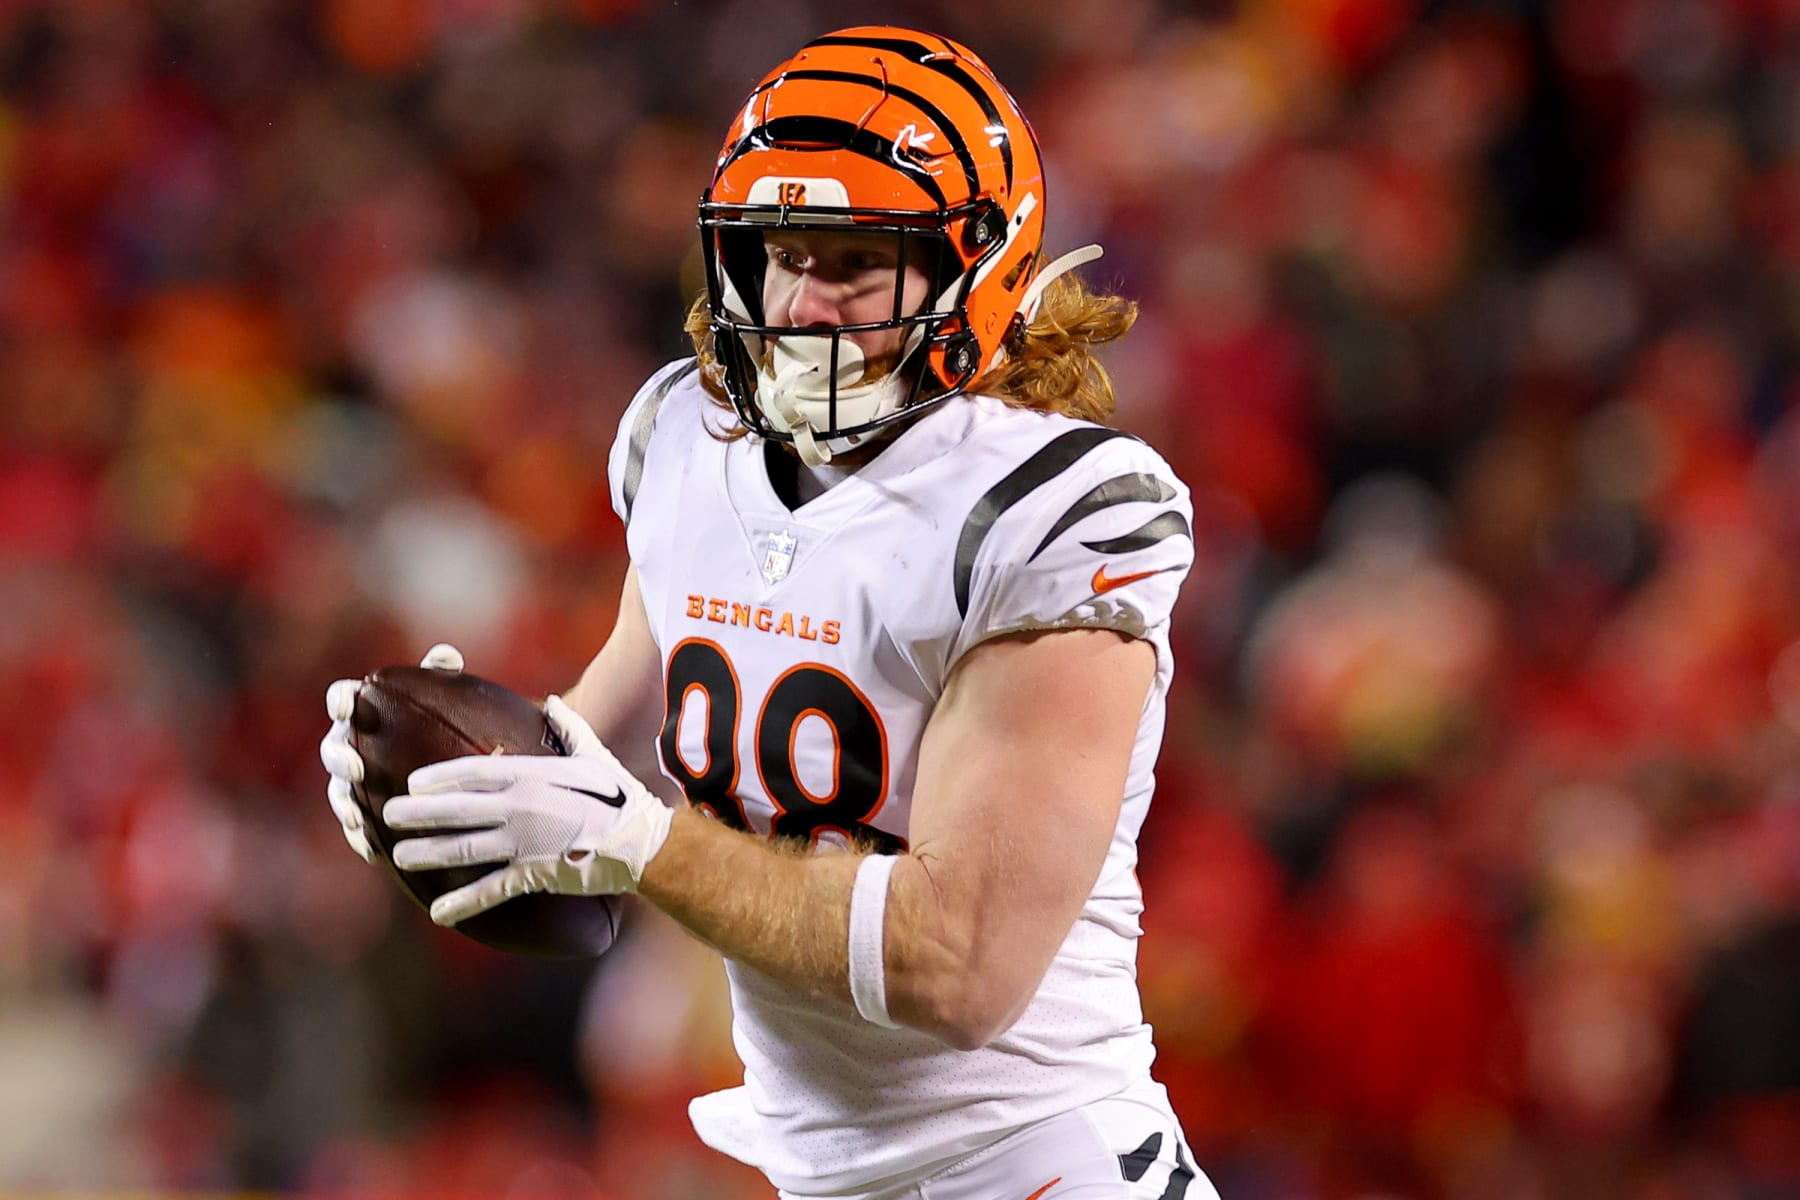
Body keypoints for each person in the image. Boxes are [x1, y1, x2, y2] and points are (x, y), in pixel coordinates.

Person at [320, 25, 1217, 1200]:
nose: (802, 300)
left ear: (976, 268)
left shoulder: (1051, 510)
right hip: (821, 1171)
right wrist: (465, 785)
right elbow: (607, 752)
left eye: (854, 259)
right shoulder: (685, 439)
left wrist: (631, 840)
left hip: (1034, 1164)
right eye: (781, 254)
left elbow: (962, 965)